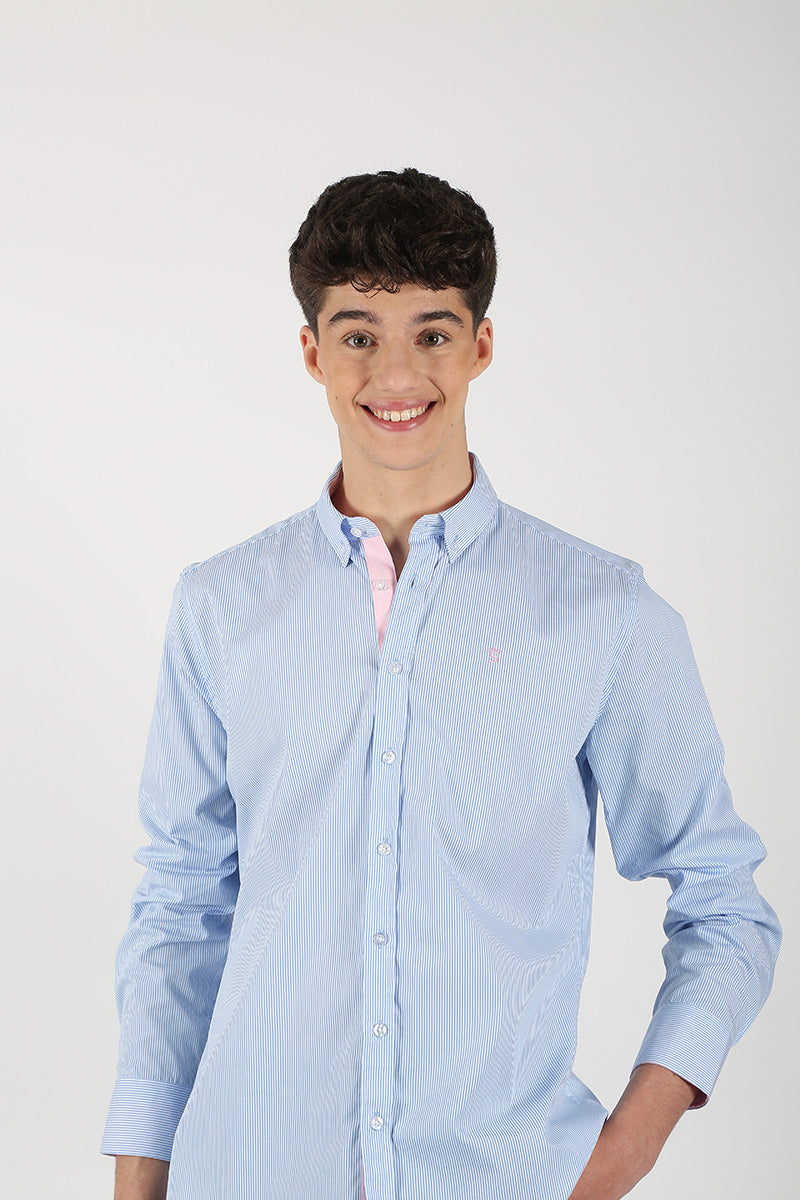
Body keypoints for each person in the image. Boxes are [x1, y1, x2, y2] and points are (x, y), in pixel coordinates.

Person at [102, 168, 781, 1200]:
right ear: (312, 352)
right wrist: (138, 1181)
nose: (396, 372)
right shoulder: (220, 605)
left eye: (431, 331)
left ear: (480, 346)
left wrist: (619, 1157)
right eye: (358, 333)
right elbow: (181, 907)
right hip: (246, 1170)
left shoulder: (604, 611)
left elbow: (723, 903)